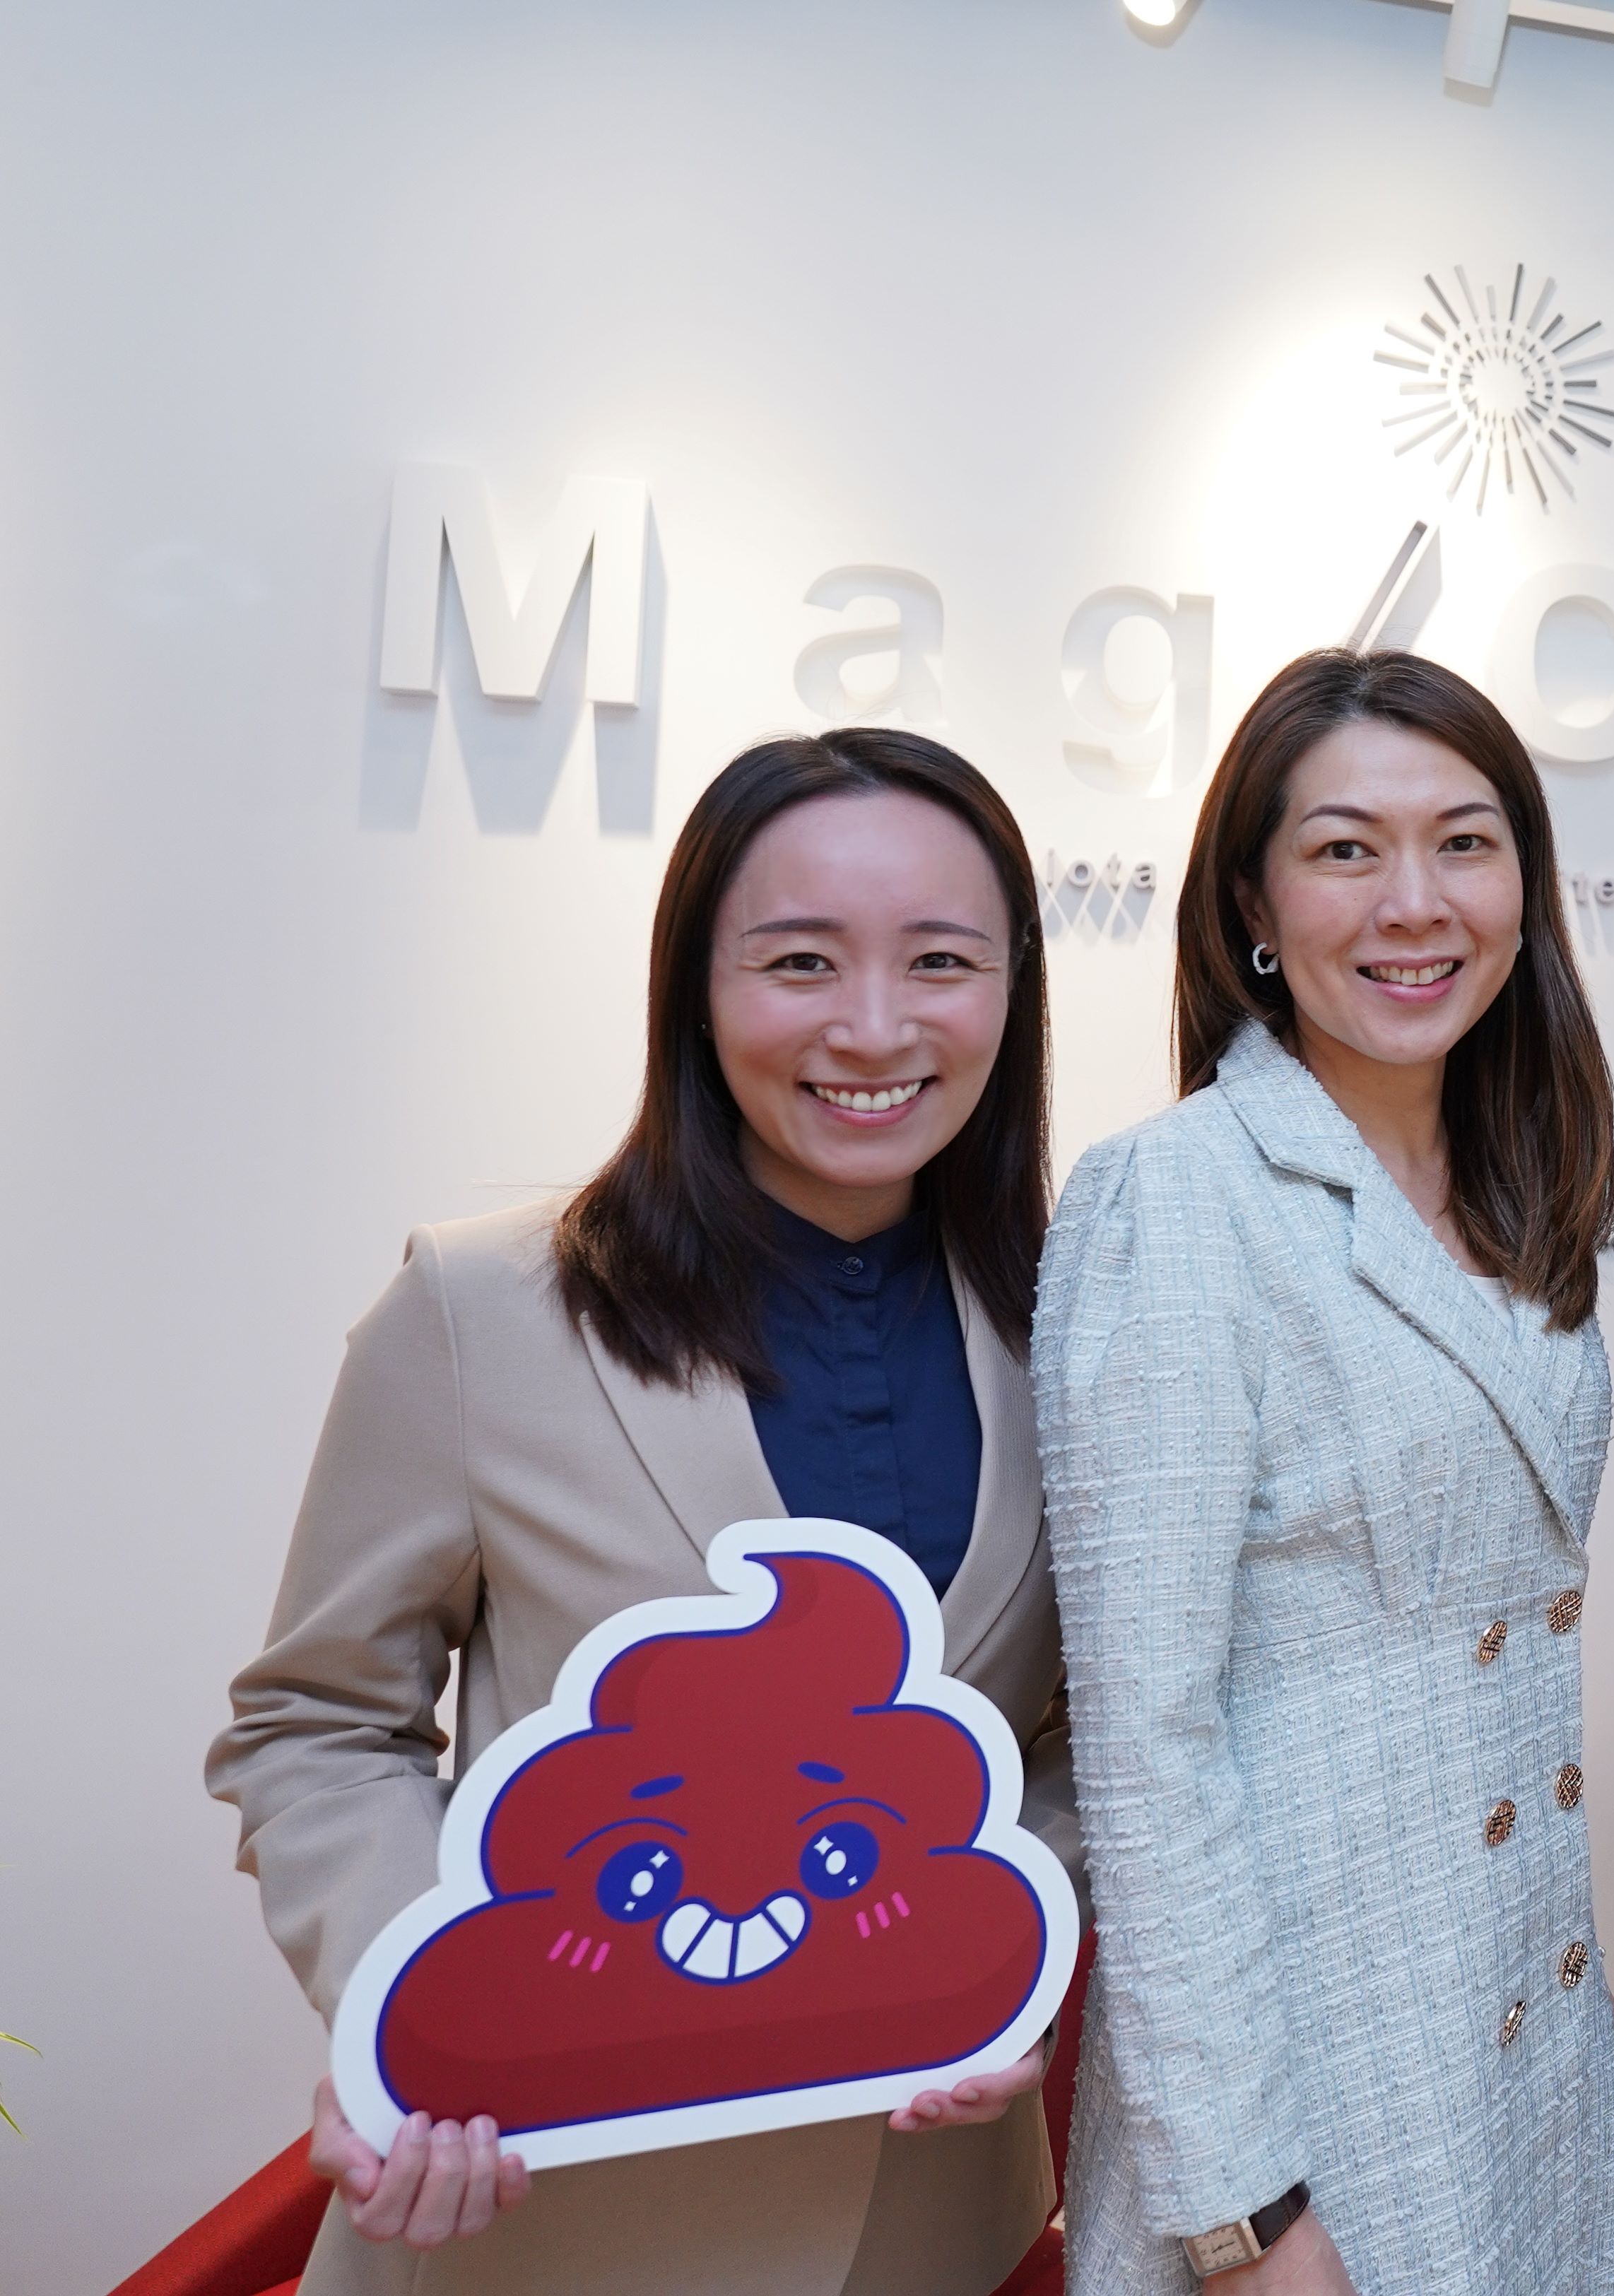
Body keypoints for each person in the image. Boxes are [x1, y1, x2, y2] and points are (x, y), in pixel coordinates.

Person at [208, 729, 1073, 2295]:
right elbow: (316, 1722)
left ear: (1011, 990)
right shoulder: (483, 1307)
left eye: (941, 959)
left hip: (930, 2210)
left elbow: (1079, 1743)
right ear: (694, 981)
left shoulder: (1077, 1321)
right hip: (546, 2210)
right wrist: (443, 2007)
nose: (874, 1024)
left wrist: (1001, 1958)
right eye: (799, 959)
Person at [1039, 650, 1614, 2296]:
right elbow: (1145, 1746)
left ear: (1525, 884)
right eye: (1341, 848)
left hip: (1517, 2038)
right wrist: (1242, 2213)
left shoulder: (1526, 1187)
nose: (1413, 901)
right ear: (1249, 897)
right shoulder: (1174, 1199)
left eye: (1464, 841)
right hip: (1307, 2085)